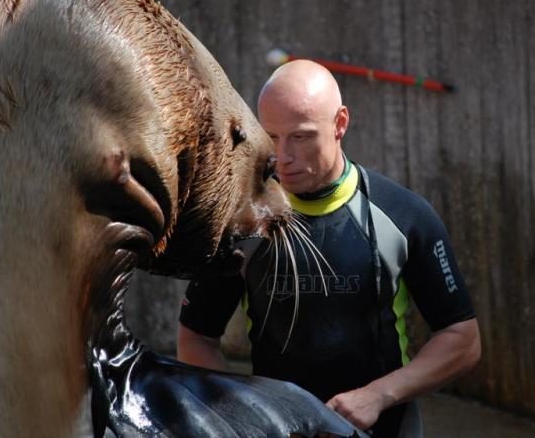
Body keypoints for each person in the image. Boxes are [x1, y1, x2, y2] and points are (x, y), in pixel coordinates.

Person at [178, 59, 481, 437]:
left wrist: (378, 395)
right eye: (270, 136)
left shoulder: (402, 215)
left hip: (385, 429)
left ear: (340, 124)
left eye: (301, 136)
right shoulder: (241, 223)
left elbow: (462, 340)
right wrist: (249, 411)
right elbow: (195, 338)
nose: (282, 156)